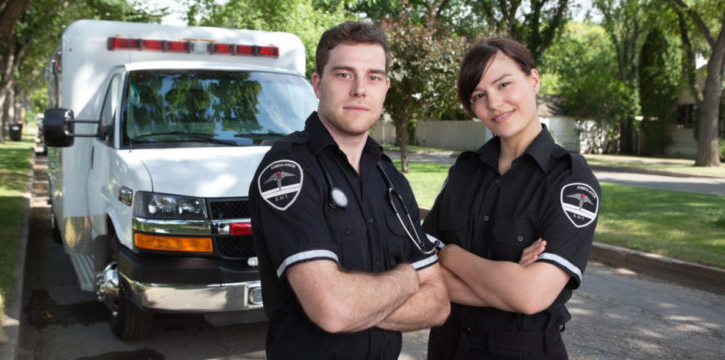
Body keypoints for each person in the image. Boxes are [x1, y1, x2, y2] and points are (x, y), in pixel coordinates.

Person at [249, 21, 450, 360]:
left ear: (385, 87)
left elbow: (439, 304)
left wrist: (359, 307)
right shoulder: (288, 170)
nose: (360, 89)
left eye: (373, 77)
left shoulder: (391, 180)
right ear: (317, 84)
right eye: (344, 74)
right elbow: (334, 309)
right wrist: (405, 278)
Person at [424, 38, 601, 359]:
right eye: (479, 95)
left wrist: (450, 256)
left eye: (504, 84)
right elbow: (419, 273)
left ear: (533, 81)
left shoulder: (571, 181)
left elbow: (530, 296)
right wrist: (506, 280)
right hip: (447, 347)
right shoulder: (465, 172)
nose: (494, 103)